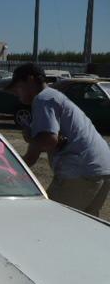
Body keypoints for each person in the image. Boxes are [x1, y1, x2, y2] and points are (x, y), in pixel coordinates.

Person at [7, 63, 110, 217]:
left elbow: (49, 140)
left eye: (18, 87)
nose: (16, 93)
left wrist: (17, 167)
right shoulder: (54, 96)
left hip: (80, 172)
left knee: (50, 221)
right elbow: (53, 139)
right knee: (84, 227)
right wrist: (34, 138)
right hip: (102, 168)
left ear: (30, 80)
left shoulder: (43, 99)